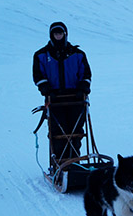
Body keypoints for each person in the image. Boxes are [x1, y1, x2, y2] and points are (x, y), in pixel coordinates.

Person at [32, 22, 92, 166]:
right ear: (51, 35)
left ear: (65, 34)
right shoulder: (41, 55)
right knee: (58, 132)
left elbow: (86, 74)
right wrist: (46, 90)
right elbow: (38, 76)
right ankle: (59, 164)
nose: (58, 35)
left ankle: (74, 162)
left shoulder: (78, 54)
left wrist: (83, 88)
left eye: (60, 33)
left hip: (76, 98)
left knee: (75, 131)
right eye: (55, 33)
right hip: (54, 98)